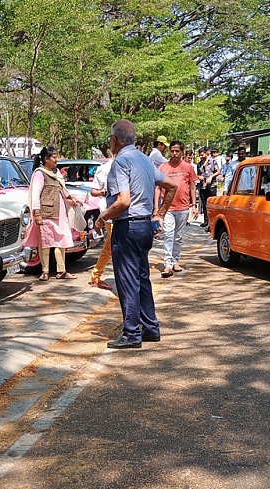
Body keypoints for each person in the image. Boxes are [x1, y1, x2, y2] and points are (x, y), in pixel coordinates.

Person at [93, 119, 177, 349]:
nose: (110, 142)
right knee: (141, 278)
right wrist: (159, 214)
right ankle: (150, 327)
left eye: (111, 138)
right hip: (144, 226)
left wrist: (102, 217)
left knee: (127, 280)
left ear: (116, 140)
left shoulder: (120, 162)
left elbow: (123, 201)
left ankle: (131, 333)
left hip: (127, 226)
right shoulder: (144, 159)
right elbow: (172, 186)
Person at [27, 146, 81, 281]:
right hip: (45, 213)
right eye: (54, 157)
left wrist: (71, 198)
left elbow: (63, 190)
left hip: (60, 213)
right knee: (45, 242)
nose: (57, 160)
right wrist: (37, 214)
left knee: (61, 241)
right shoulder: (40, 173)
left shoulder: (56, 173)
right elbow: (35, 195)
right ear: (46, 159)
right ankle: (45, 271)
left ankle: (61, 270)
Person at [157, 141, 198, 278]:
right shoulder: (163, 167)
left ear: (182, 152)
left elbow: (192, 186)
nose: (174, 154)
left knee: (178, 237)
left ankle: (175, 261)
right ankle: (167, 264)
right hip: (167, 208)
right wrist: (156, 208)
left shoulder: (188, 167)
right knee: (168, 234)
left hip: (183, 207)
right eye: (172, 151)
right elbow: (158, 188)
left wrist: (194, 205)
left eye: (177, 151)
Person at [87, 154, 115, 291]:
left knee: (113, 245)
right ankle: (96, 276)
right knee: (111, 245)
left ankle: (96, 275)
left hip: (122, 213)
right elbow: (93, 191)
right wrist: (103, 192)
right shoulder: (105, 169)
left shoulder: (127, 166)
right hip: (109, 213)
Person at [196, 147, 219, 228]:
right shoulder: (199, 164)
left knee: (212, 204)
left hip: (212, 186)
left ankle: (213, 223)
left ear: (206, 153)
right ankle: (206, 221)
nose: (201, 157)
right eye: (200, 155)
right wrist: (199, 177)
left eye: (202, 155)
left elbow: (218, 171)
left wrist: (211, 177)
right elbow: (197, 174)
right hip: (203, 186)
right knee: (204, 204)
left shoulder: (213, 161)